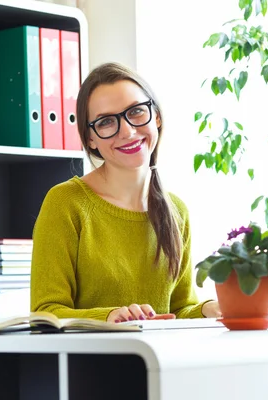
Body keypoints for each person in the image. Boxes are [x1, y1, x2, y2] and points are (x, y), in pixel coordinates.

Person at [30, 62, 221, 323]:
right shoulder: (66, 203)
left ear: (156, 116)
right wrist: (110, 316)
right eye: (106, 122)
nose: (128, 131)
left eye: (136, 111)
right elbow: (46, 312)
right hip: (92, 361)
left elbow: (178, 310)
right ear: (90, 138)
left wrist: (210, 308)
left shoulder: (177, 211)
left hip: (161, 359)